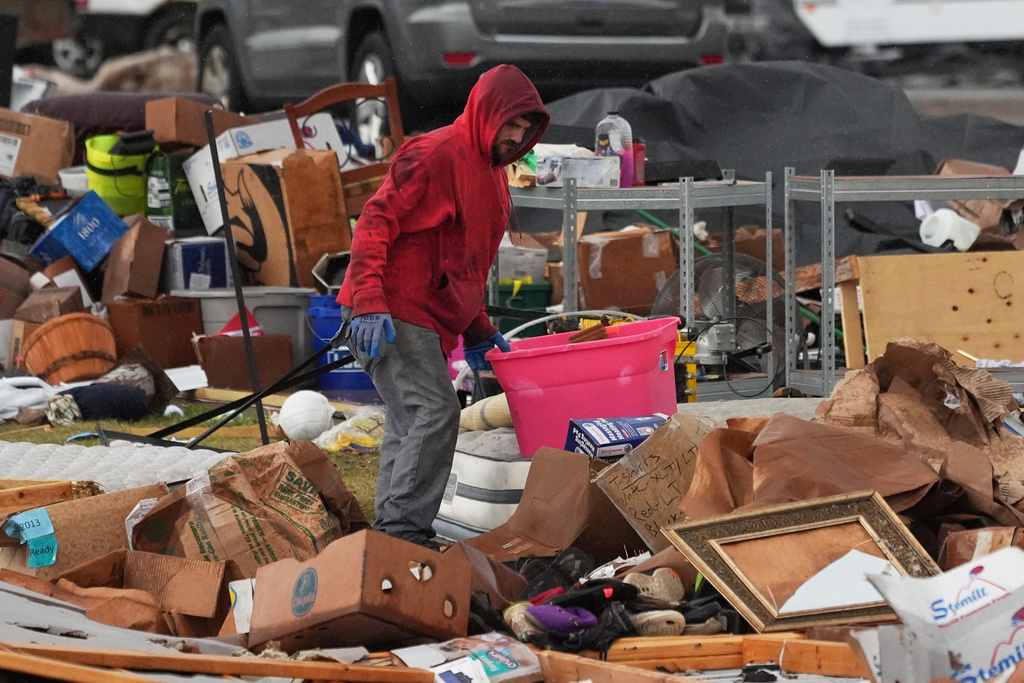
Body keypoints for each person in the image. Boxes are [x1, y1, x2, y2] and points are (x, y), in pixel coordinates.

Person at [336, 64, 549, 548]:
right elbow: (374, 221)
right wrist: (369, 301)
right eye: (509, 124)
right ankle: (403, 535)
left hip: (424, 316)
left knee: (411, 420)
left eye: (524, 128)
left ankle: (388, 539)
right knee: (435, 411)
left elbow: (462, 263)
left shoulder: (494, 176)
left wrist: (477, 331)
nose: (515, 136)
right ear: (486, 113)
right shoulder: (435, 154)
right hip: (389, 311)